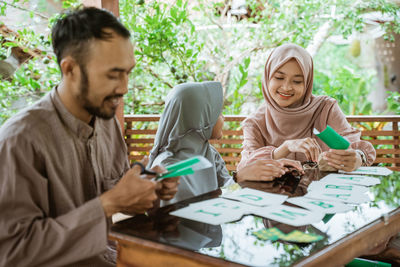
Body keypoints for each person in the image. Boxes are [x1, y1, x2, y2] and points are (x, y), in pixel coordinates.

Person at [0, 7, 179, 267]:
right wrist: (108, 204)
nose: (125, 88)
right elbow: (12, 253)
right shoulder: (19, 141)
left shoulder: (106, 122)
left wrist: (147, 189)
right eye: (113, 74)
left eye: (128, 72)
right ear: (70, 69)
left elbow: (117, 192)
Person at [148, 81, 301, 206]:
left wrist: (270, 172)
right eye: (218, 113)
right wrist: (239, 178)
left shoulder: (209, 153)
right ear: (201, 120)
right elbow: (187, 216)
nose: (224, 118)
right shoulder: (168, 167)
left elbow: (230, 190)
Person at [238, 43, 376, 172]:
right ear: (267, 78)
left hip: (324, 194)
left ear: (308, 82)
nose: (286, 87)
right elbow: (245, 168)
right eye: (279, 78)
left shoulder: (325, 109)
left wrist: (357, 157)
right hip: (274, 195)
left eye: (297, 81)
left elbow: (353, 145)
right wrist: (285, 148)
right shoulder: (255, 123)